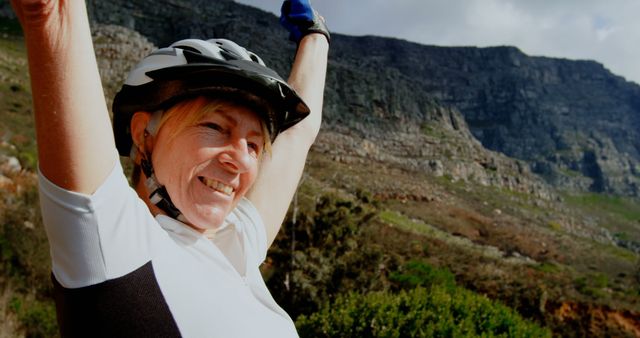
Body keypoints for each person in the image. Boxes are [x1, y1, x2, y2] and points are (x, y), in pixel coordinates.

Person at [11, 0, 328, 336]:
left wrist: (315, 34)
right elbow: (52, 12)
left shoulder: (234, 244)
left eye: (253, 144)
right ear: (143, 135)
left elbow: (299, 132)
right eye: (216, 128)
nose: (239, 159)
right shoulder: (112, 241)